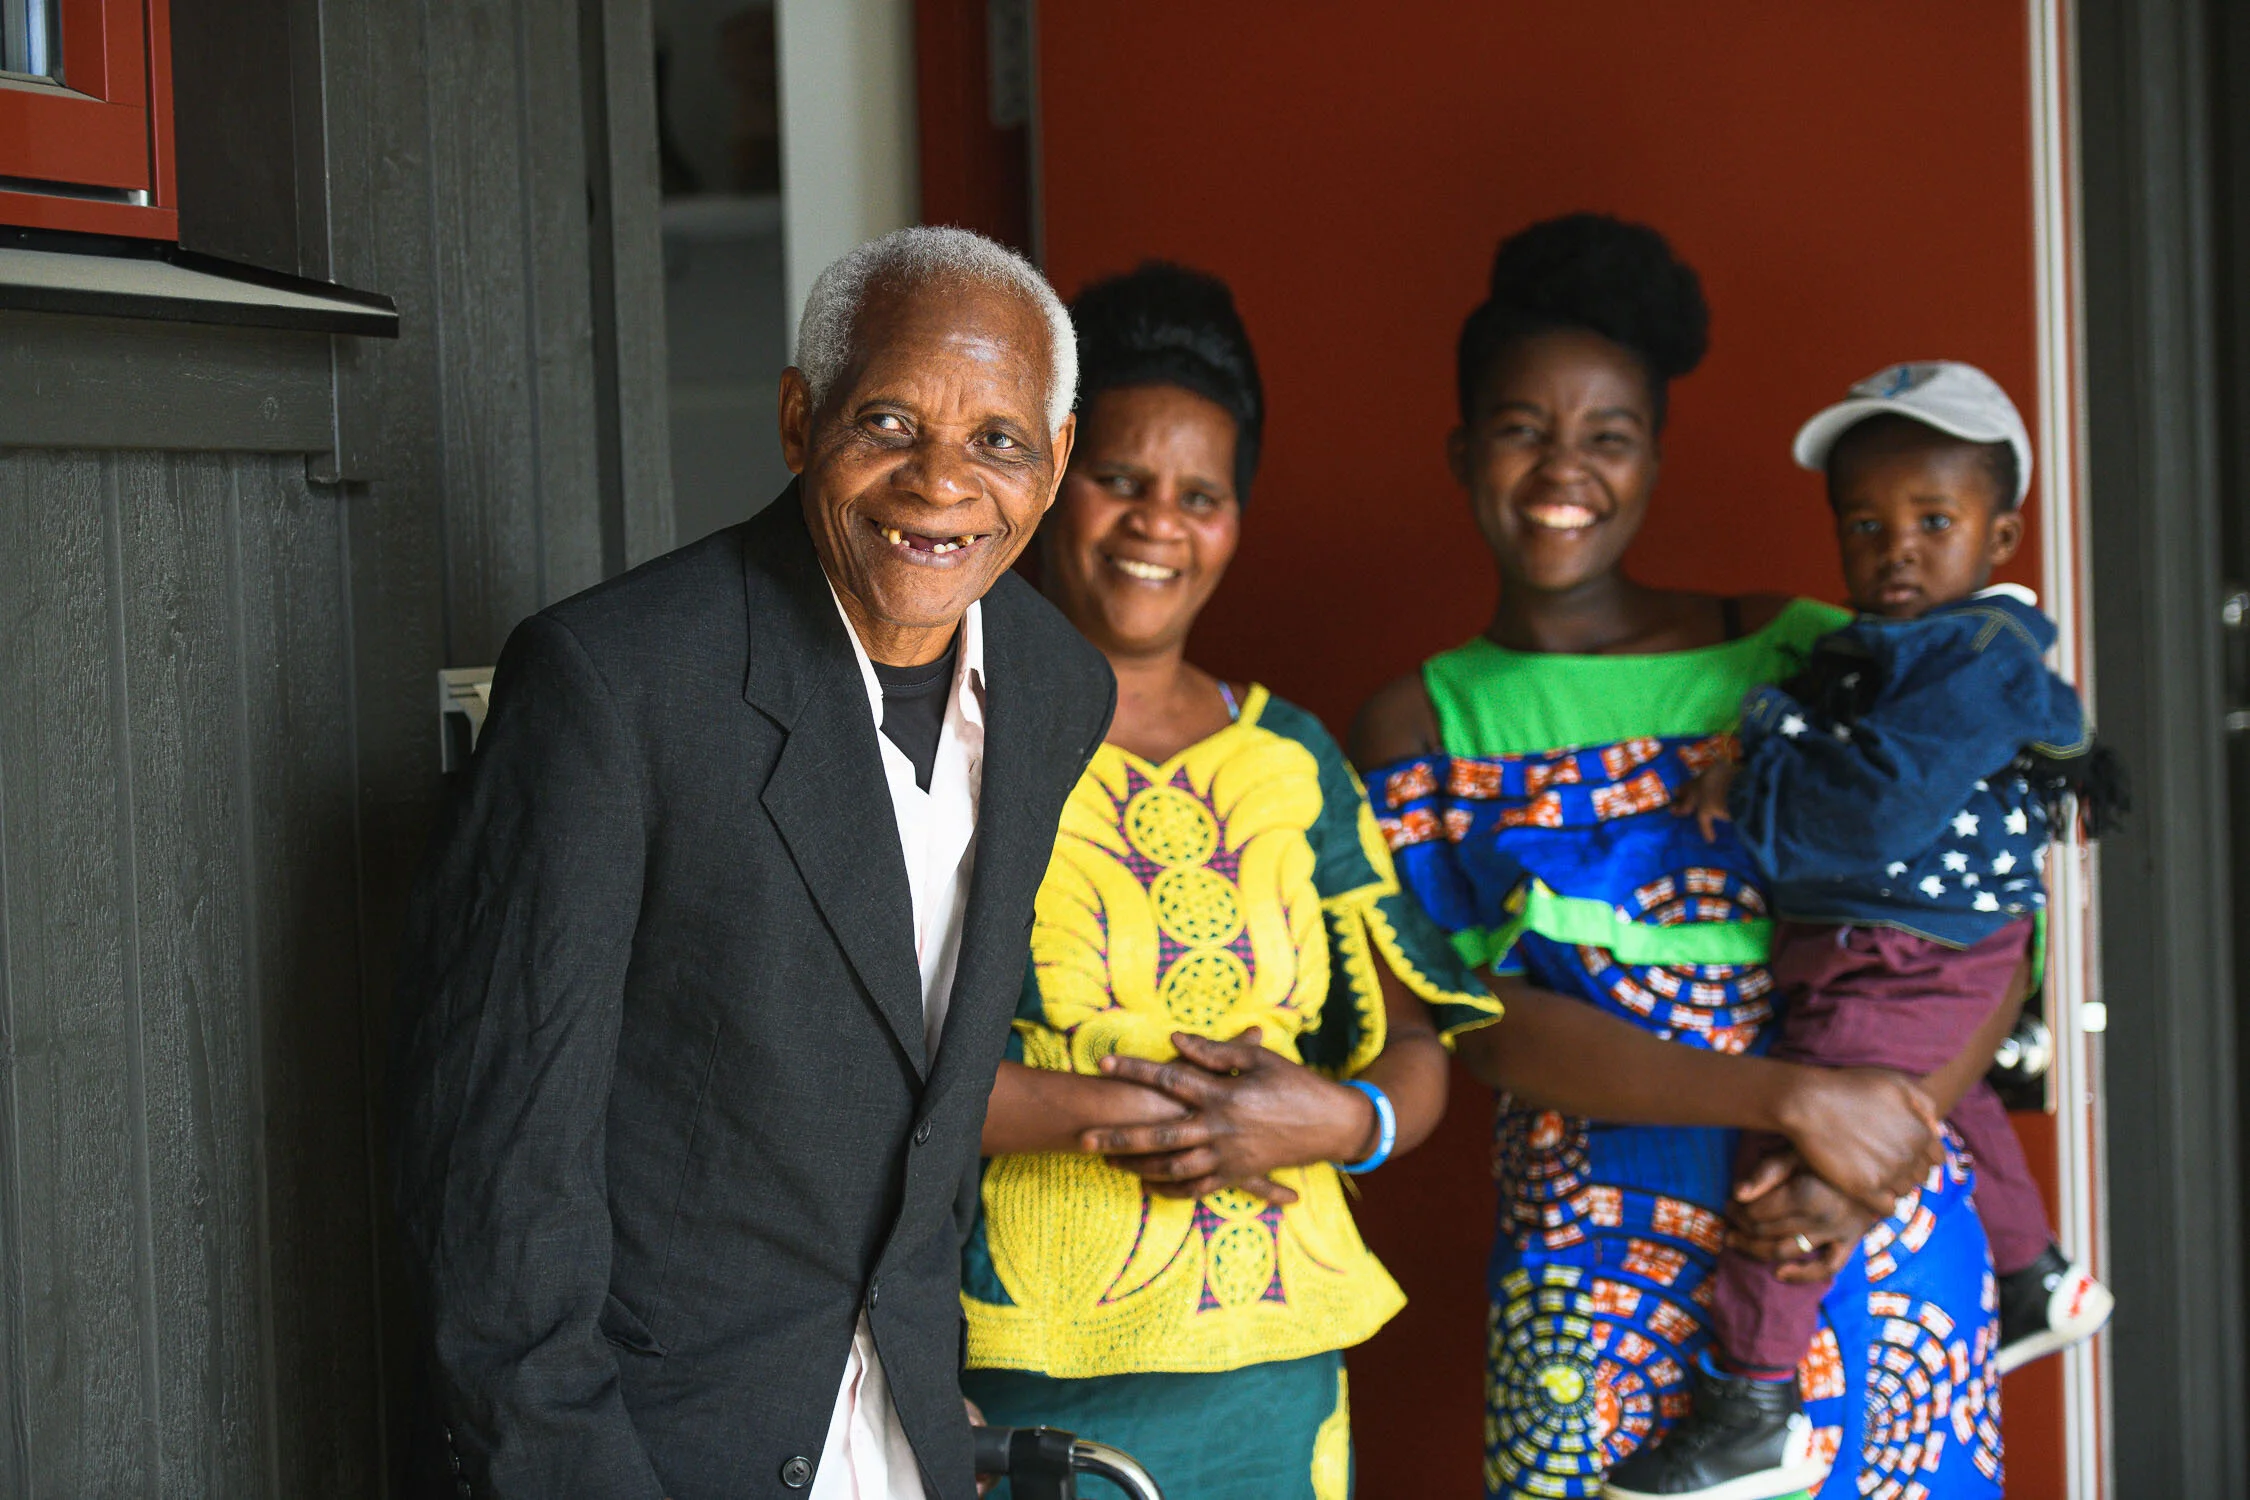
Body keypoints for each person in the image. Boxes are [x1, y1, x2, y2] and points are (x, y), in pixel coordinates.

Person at [388, 227, 1117, 1500]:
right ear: (797, 422)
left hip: (903, 1439)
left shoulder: (1057, 686)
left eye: (998, 440)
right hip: (659, 1448)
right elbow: (498, 1177)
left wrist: (925, 1380)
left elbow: (927, 1081)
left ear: (1053, 464)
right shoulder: (616, 683)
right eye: (888, 422)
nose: (941, 483)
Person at [1352, 214, 2011, 1500]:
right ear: (1464, 451)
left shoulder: (1804, 655)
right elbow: (1483, 1026)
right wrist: (1792, 1103)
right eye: (1523, 428)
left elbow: (1982, 914)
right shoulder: (1419, 723)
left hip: (1862, 1241)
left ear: (1653, 458)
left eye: (1608, 435)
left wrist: (1876, 1151)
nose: (1565, 468)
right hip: (1595, 1277)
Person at [958, 262, 1500, 1499]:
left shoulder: (1291, 756)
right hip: (1034, 1355)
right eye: (1122, 479)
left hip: (1280, 1364)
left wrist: (1346, 1122)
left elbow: (1415, 1039)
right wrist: (1170, 1119)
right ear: (1052, 477)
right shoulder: (956, 733)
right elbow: (882, 1069)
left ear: (1236, 520)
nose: (1159, 522)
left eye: (1200, 495)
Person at [1610, 362, 2118, 1499]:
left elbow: (1874, 810)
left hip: (1904, 952)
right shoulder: (1913, 650)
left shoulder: (1976, 659)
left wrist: (1755, 786)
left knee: (1797, 1160)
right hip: (1920, 943)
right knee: (1952, 1100)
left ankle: (1754, 1403)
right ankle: (2034, 1276)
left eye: (1934, 522)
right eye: (1865, 524)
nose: (1896, 551)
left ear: (2001, 535)